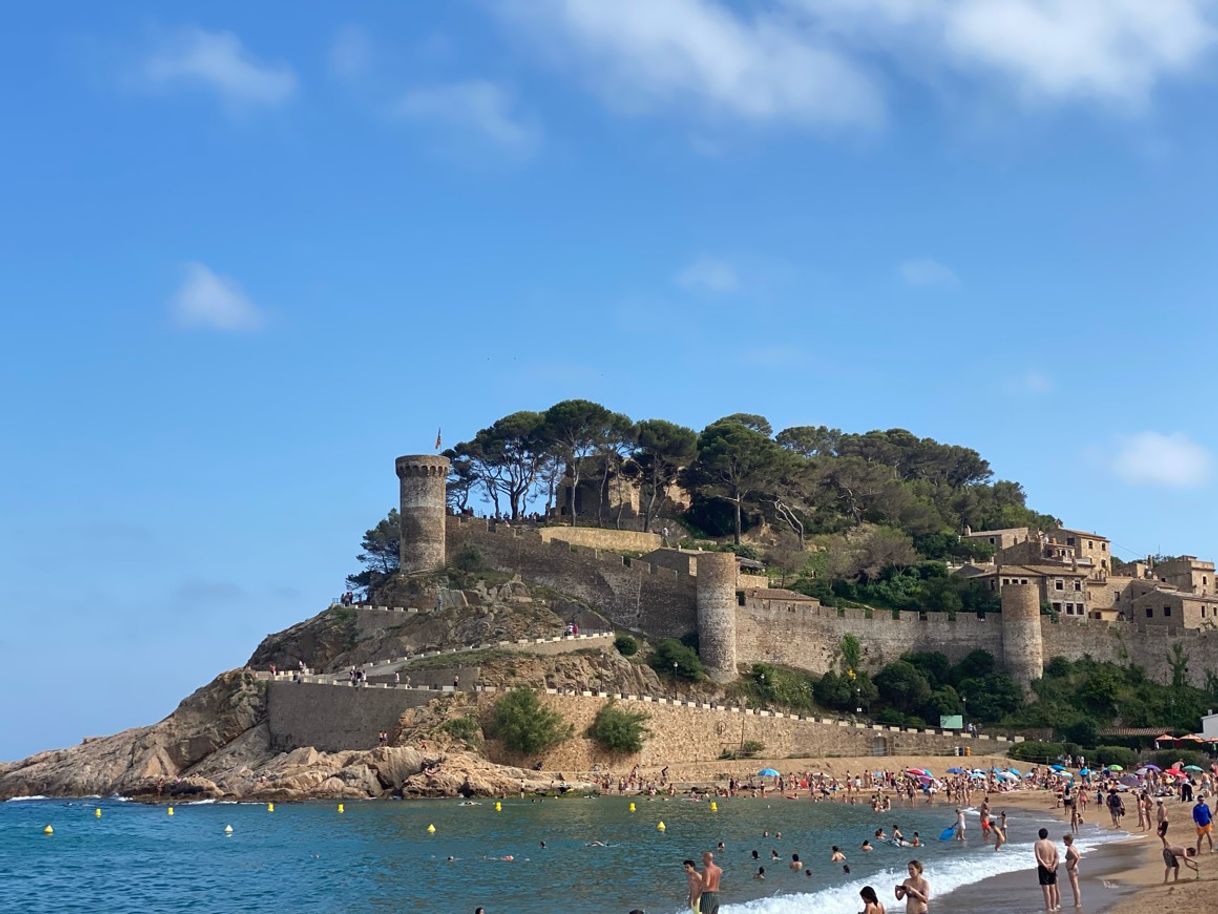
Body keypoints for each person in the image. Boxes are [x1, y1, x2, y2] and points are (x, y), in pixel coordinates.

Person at [1034, 827, 1060, 912]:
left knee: (1046, 889)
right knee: (1052, 888)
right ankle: (1054, 906)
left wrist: (1045, 866)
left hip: (1043, 868)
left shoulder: (1038, 844)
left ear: (1039, 835)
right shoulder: (1052, 844)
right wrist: (1053, 866)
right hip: (1052, 867)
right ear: (1047, 834)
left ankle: (1049, 907)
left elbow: (1038, 858)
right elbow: (1057, 857)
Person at [1063, 834, 1081, 908]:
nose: (1063, 842)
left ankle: (1077, 903)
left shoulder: (1070, 849)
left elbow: (1076, 857)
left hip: (1072, 870)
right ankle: (1077, 902)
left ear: (1068, 841)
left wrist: (1073, 866)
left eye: (1064, 840)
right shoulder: (1074, 847)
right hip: (1074, 868)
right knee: (1076, 887)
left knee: (1075, 887)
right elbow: (1079, 856)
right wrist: (1075, 864)